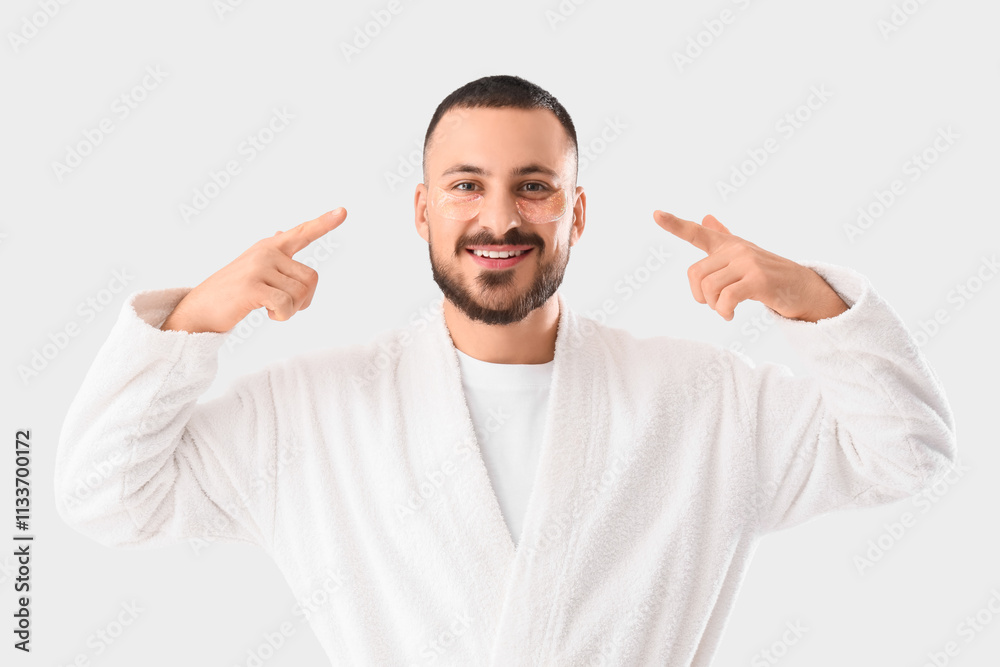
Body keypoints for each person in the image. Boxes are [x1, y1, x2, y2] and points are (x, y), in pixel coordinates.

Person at [55, 74, 957, 665]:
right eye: (464, 184)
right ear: (420, 209)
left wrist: (814, 302)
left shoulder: (702, 399)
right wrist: (197, 321)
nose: (499, 217)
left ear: (577, 211)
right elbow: (103, 494)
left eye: (534, 185)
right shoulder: (313, 411)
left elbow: (909, 450)